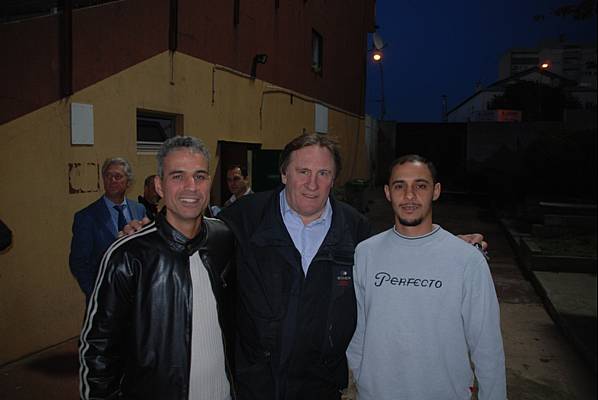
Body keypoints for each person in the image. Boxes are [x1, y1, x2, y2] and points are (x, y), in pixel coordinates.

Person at [124, 134, 487, 400]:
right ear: (284, 174)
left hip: (320, 386)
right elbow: (190, 235)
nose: (312, 184)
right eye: (303, 171)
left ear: (334, 179)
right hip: (254, 386)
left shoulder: (355, 230)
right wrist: (151, 229)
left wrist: (450, 245)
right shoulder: (242, 219)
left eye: (324, 173)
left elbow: (398, 246)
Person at [79, 136, 236, 400]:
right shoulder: (128, 255)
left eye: (200, 176)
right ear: (159, 186)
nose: (191, 187)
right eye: (178, 176)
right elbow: (98, 350)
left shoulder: (225, 238)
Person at [347, 155, 506, 400]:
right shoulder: (366, 253)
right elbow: (359, 326)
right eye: (400, 186)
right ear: (388, 193)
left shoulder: (467, 260)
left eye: (420, 186)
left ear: (436, 191)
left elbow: (487, 344)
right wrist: (362, 376)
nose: (410, 196)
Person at [69, 157, 146, 301]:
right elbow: (78, 262)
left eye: (117, 176)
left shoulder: (139, 210)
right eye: (108, 176)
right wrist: (95, 292)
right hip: (103, 296)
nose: (112, 180)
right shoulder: (86, 216)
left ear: (128, 182)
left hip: (135, 296)